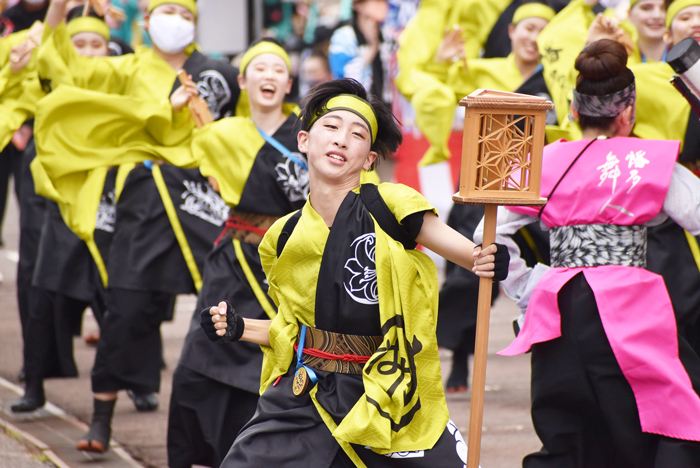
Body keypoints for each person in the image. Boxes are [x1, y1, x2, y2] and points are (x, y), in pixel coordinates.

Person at [201, 77, 509, 467]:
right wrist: (240, 327)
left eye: (357, 134)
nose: (341, 139)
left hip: (384, 391)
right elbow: (291, 330)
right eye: (330, 127)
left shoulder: (391, 203)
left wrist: (487, 259)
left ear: (368, 159)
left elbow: (471, 256)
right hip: (306, 392)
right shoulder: (282, 236)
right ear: (304, 141)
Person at [480, 39, 700, 466]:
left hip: (557, 306)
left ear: (574, 109)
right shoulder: (646, 160)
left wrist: (529, 284)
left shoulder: (540, 162)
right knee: (676, 420)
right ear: (628, 111)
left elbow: (492, 236)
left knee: (570, 434)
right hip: (632, 306)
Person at [35, 0, 240, 453]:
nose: (176, 22)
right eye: (167, 11)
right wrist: (57, 9)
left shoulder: (219, 73)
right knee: (124, 305)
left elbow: (240, 130)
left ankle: (240, 417)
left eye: (185, 13)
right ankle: (101, 418)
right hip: (145, 196)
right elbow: (61, 64)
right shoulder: (125, 67)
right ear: (145, 22)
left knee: (231, 305)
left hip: (202, 197)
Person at [165, 38, 309, 468]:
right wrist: (173, 108)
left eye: (278, 69)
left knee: (269, 366)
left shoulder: (309, 134)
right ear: (243, 81)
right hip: (232, 261)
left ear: (288, 82)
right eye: (258, 69)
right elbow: (168, 147)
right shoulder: (220, 134)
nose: (269, 75)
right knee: (199, 360)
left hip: (289, 263)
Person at [10, 5, 118, 413]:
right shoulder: (52, 69)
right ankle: (34, 382)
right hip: (52, 190)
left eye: (97, 44)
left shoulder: (119, 78)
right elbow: (51, 35)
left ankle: (130, 379)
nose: (89, 51)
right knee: (41, 288)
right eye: (80, 43)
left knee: (117, 292)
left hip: (105, 191)